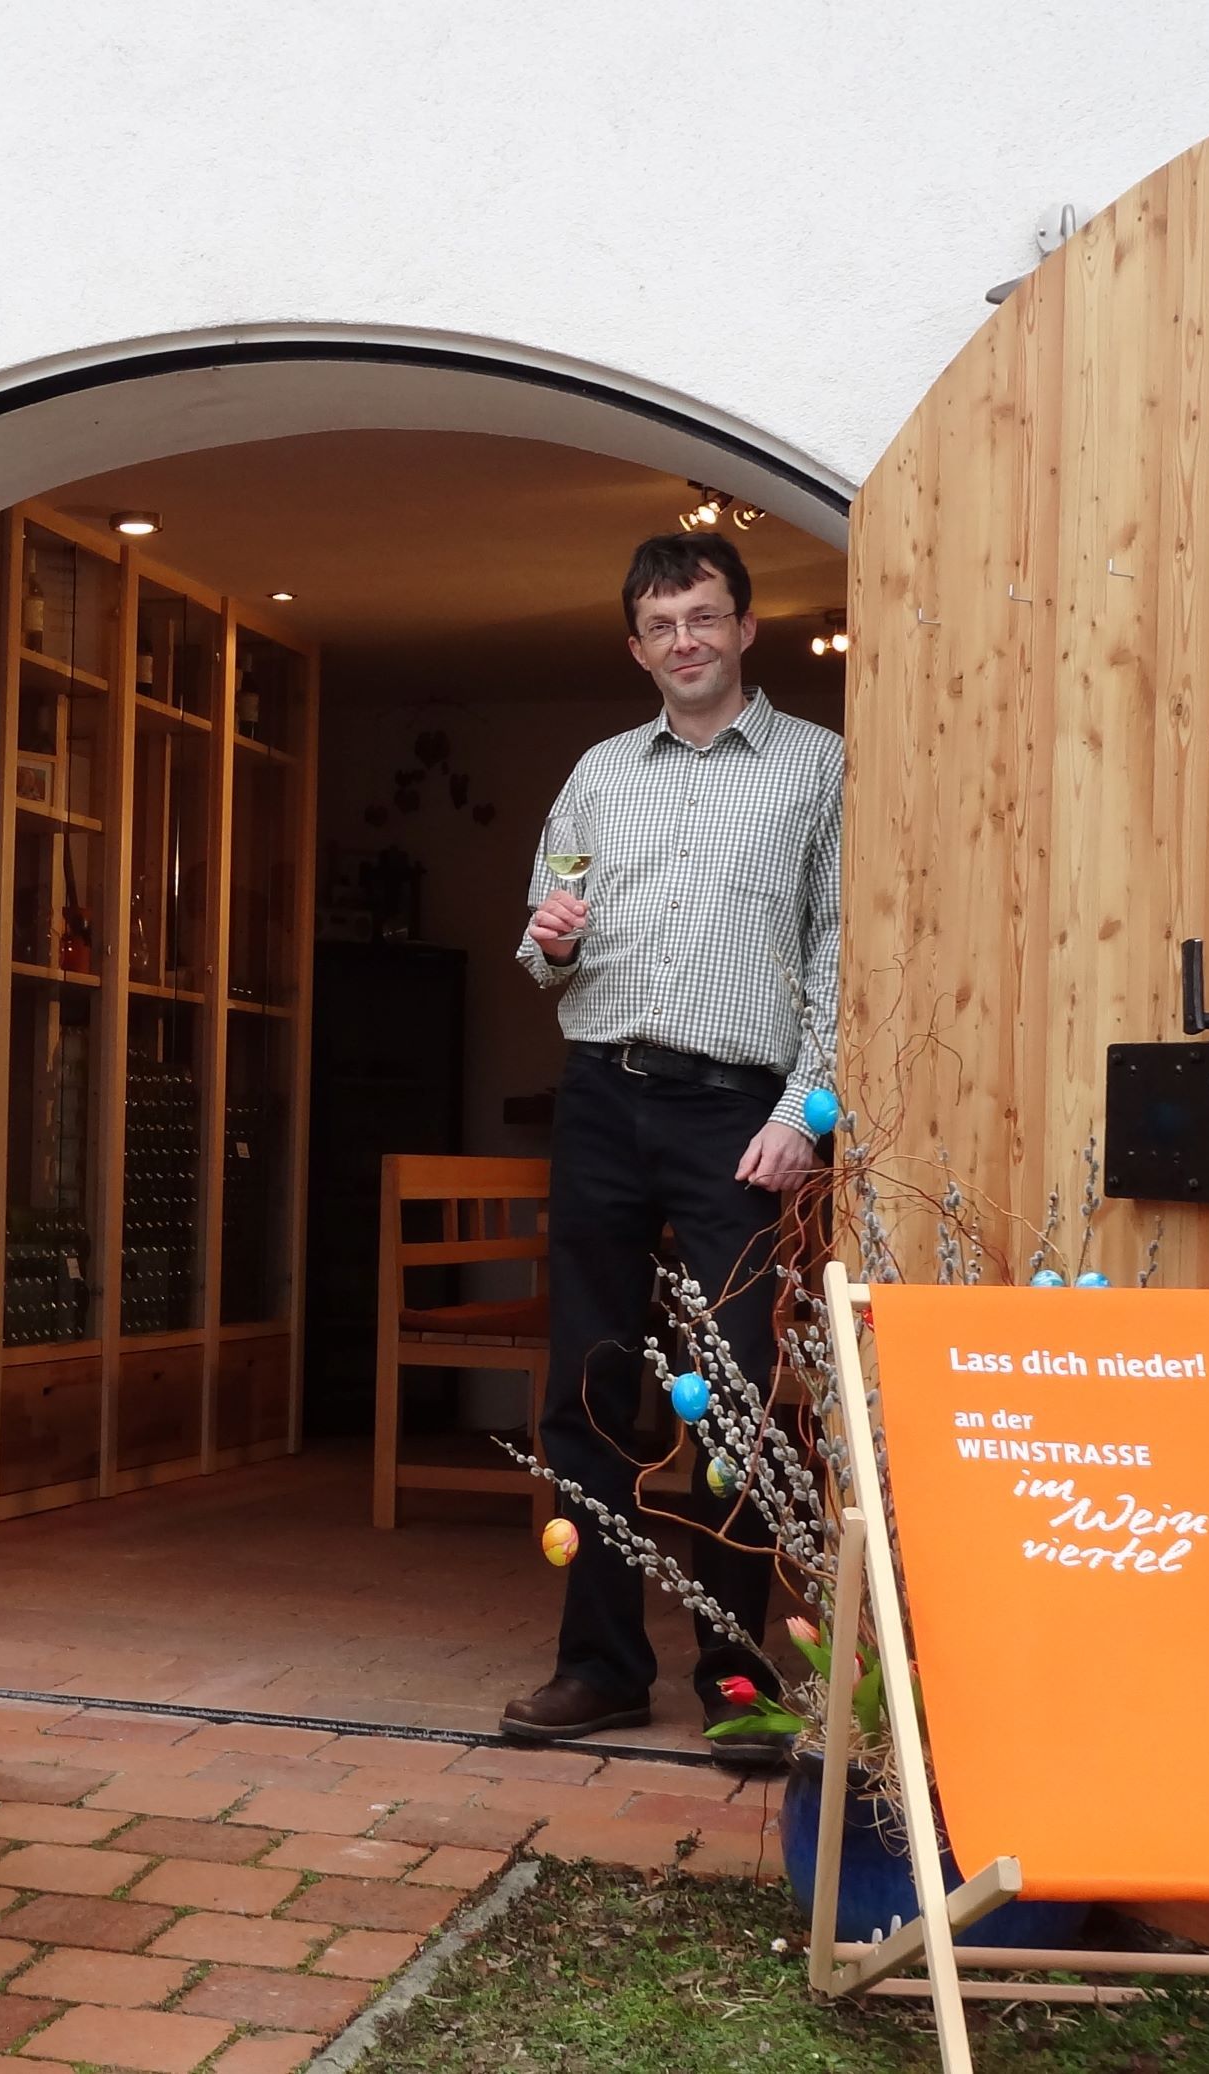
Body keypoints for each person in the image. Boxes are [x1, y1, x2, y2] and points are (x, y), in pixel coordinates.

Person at [500, 532, 843, 1766]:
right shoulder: (596, 774)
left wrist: (801, 1115)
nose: (684, 641)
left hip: (736, 1117)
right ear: (636, 646)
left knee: (738, 1394)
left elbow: (838, 953)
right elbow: (547, 956)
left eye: (703, 616)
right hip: (600, 1093)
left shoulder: (817, 769)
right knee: (586, 1390)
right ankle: (596, 1663)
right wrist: (545, 936)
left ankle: (740, 1673)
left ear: (746, 627)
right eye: (661, 626)